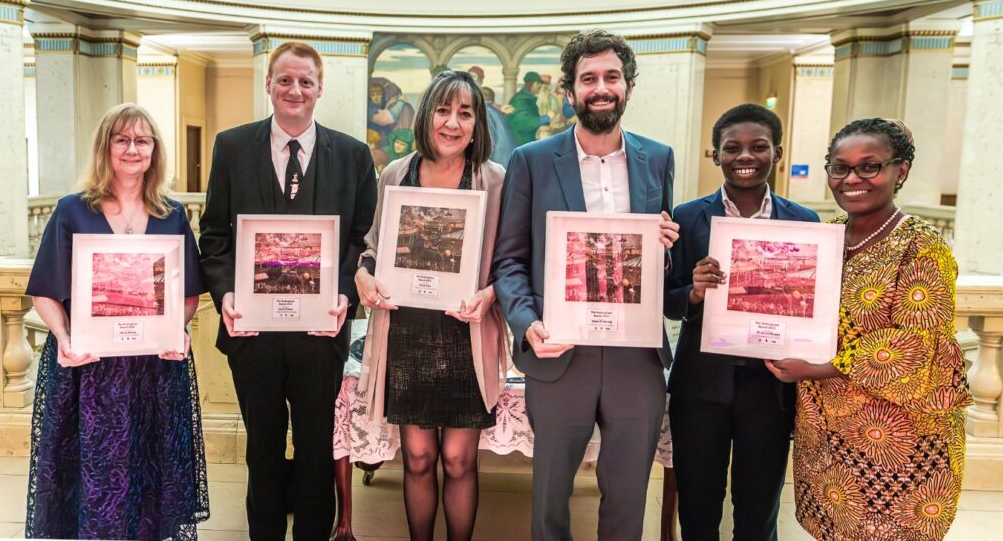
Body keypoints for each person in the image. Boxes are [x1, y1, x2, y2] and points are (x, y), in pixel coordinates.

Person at [492, 30, 679, 540]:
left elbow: (660, 267)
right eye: (588, 78)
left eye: (611, 77)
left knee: (627, 493)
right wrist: (528, 326)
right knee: (551, 494)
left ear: (628, 87)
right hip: (559, 352)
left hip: (634, 355)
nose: (601, 88)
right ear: (568, 91)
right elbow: (509, 260)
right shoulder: (531, 159)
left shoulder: (657, 158)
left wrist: (662, 248)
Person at [199, 41, 377, 541]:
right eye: (284, 80)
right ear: (269, 85)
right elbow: (213, 236)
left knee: (319, 448)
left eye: (304, 81)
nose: (294, 89)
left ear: (320, 88)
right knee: (262, 448)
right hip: (251, 331)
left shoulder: (353, 155)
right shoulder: (232, 147)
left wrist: (346, 293)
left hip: (322, 333)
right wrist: (227, 295)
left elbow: (362, 239)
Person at [765, 118, 972, 540]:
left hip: (901, 440)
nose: (852, 179)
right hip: (826, 435)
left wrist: (814, 369)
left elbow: (915, 346)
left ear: (902, 170)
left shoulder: (921, 244)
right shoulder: (825, 239)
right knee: (833, 527)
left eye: (869, 166)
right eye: (840, 167)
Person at [25, 103, 209, 540]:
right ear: (106, 148)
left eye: (142, 140)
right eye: (121, 139)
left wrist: (176, 331)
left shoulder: (172, 214)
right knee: (93, 484)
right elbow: (44, 291)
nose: (132, 149)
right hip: (88, 371)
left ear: (154, 150)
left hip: (153, 371)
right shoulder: (72, 210)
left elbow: (188, 295)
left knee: (152, 483)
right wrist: (66, 338)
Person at [355, 71, 508, 541]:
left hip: (465, 332)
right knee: (418, 459)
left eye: (466, 113)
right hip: (406, 333)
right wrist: (363, 274)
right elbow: (373, 247)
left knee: (460, 460)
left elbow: (509, 258)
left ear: (478, 123)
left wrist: (491, 293)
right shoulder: (394, 174)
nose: (453, 122)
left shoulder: (493, 178)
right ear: (426, 116)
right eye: (443, 110)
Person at [665, 104, 819, 541]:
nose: (744, 156)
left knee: (758, 509)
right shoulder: (687, 216)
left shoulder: (804, 222)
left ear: (779, 153)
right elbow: (669, 299)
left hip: (770, 389)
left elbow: (814, 303)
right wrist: (693, 292)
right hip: (700, 386)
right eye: (732, 148)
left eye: (758, 147)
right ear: (715, 156)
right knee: (698, 507)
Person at [504, 70, 551, 146]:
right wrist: (545, 118)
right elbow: (523, 121)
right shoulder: (520, 99)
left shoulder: (528, 97)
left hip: (527, 139)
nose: (540, 86)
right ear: (530, 84)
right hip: (519, 140)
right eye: (538, 83)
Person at [481, 85, 516, 168]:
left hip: (498, 162)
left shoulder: (484, 112)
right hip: (506, 160)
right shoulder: (494, 111)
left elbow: (488, 141)